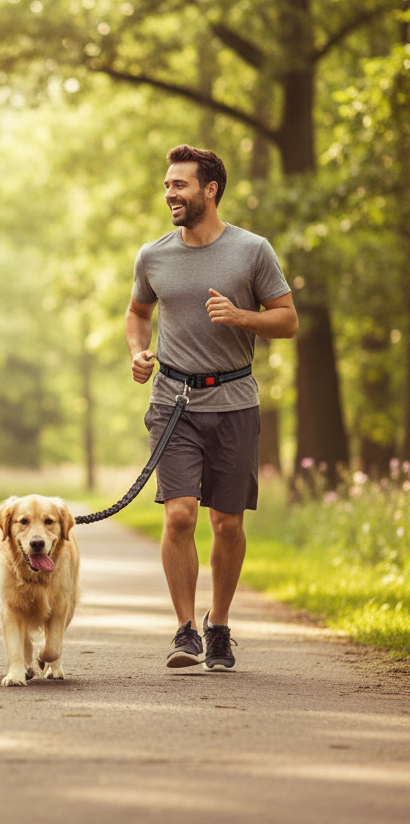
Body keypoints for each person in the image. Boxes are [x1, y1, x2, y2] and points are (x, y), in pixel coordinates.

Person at [125, 146, 298, 670]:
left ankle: (218, 625)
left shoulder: (252, 251)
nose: (170, 194)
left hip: (235, 402)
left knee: (227, 523)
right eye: (166, 185)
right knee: (179, 516)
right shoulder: (152, 255)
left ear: (210, 189)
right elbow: (137, 312)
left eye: (179, 185)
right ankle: (184, 631)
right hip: (173, 403)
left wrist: (241, 317)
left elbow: (288, 321)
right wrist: (138, 352)